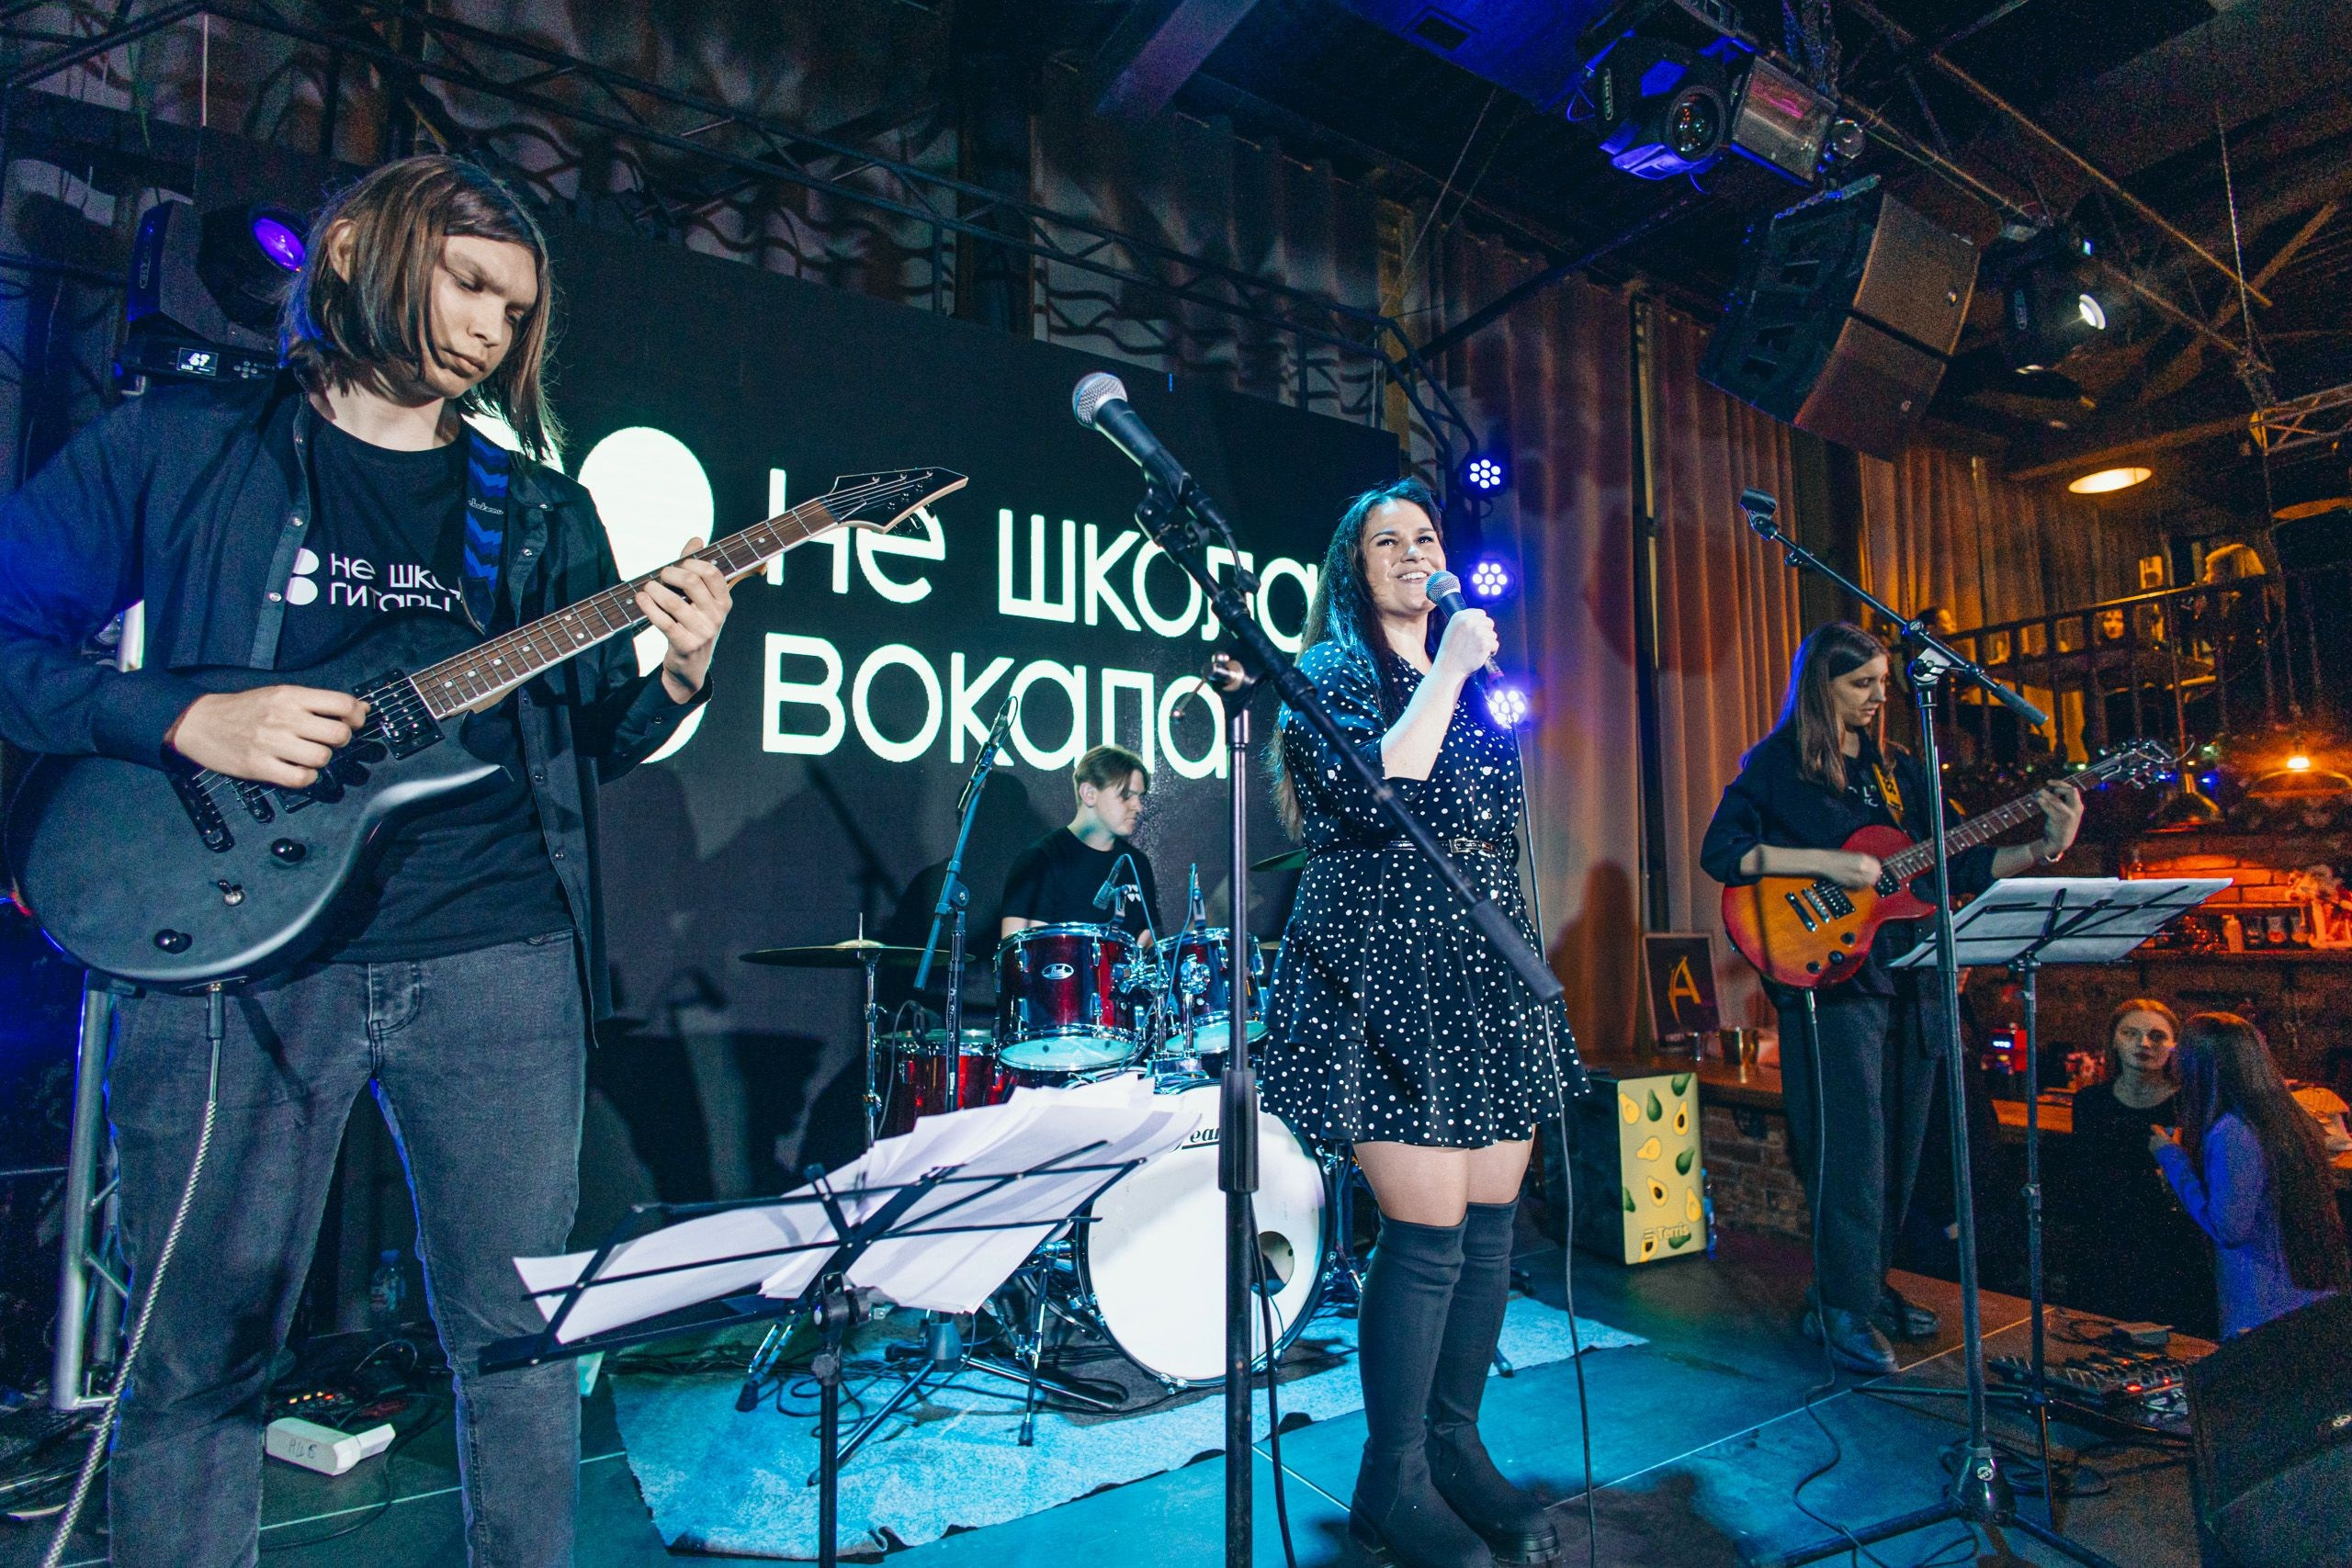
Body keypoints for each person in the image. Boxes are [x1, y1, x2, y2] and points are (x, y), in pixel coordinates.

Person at [0, 156, 732, 1566]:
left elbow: (581, 744)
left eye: (516, 313)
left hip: (497, 952)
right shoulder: (185, 444)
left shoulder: (537, 512)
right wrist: (186, 714)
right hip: (242, 955)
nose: (489, 331)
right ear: (352, 252)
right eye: (468, 285)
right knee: (200, 1350)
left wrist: (682, 672)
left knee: (519, 1343)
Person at [1261, 477, 1582, 1568]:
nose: (1411, 552)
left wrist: (1462, 671)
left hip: (1479, 954)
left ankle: (1456, 1446)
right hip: (1380, 961)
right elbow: (1380, 785)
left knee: (1492, 1220)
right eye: (1385, 541)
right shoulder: (1329, 672)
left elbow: (1490, 815)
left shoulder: (1478, 674)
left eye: (1424, 536)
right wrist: (1446, 667)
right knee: (1429, 1231)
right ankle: (1389, 1477)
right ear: (1352, 570)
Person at [1700, 621, 2083, 1375]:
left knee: (1902, 1146)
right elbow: (1723, 850)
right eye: (1862, 684)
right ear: (1822, 686)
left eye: (1883, 682)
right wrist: (1824, 863)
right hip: (1832, 980)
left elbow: (1954, 867)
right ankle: (1839, 1305)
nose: (1881, 696)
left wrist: (2045, 844)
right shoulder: (1777, 765)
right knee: (1851, 1149)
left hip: (1913, 972)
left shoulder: (1901, 770)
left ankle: (1862, 1290)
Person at [2153, 1012, 2351, 1337]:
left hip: (2261, 1302)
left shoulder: (2233, 1131)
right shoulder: (2289, 1117)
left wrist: (2173, 1160)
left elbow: (2229, 1228)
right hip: (2306, 1293)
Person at [2058, 999, 2214, 1336]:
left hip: (2171, 1248)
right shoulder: (2090, 1102)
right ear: (2114, 1040)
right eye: (2131, 1033)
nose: (2144, 1044)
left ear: (2175, 1047)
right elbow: (2083, 1177)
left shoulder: (2189, 1103)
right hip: (2105, 1242)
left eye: (2157, 1036)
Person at [999, 742, 1162, 940]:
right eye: (1126, 795)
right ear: (1089, 794)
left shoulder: (1137, 863)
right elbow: (1018, 954)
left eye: (1139, 797)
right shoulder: (1040, 861)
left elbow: (1149, 944)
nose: (1138, 807)